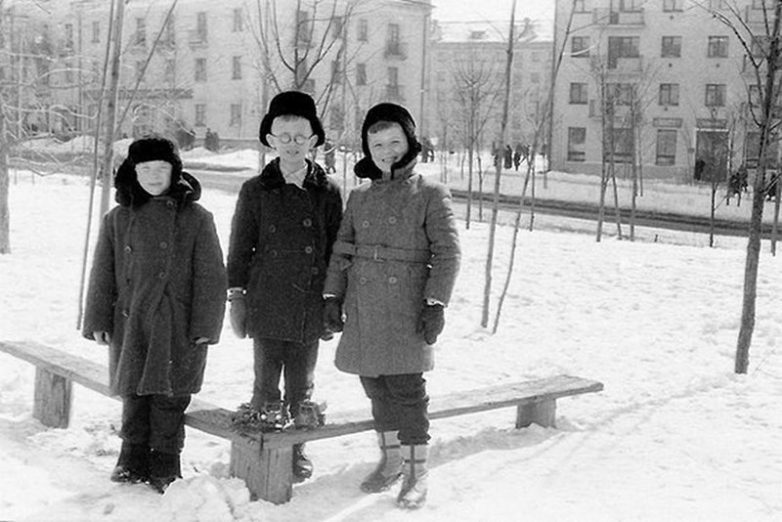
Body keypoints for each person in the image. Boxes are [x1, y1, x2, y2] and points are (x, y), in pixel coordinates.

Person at [322, 103, 460, 509]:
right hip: (363, 302)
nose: (386, 150)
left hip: (405, 305)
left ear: (410, 142)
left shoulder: (431, 193)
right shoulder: (360, 195)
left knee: (407, 389)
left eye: (394, 142)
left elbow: (448, 253)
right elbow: (341, 249)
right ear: (367, 147)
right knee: (374, 383)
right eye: (376, 143)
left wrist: (435, 302)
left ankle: (417, 471)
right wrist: (333, 295)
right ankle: (392, 459)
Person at [82, 136, 227, 493]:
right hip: (129, 320)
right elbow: (102, 271)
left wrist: (206, 325)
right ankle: (131, 455)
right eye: (145, 169)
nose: (152, 176)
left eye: (161, 169)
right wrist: (98, 319)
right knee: (133, 390)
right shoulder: (118, 218)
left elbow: (211, 276)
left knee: (169, 393)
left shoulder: (196, 218)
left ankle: (165, 459)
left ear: (175, 171)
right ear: (133, 172)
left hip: (175, 321)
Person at [226, 91, 343, 482]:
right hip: (266, 299)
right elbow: (240, 247)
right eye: (284, 136)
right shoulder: (255, 190)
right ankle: (260, 454)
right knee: (264, 383)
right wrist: (236, 296)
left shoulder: (328, 191)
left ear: (313, 141)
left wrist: (333, 300)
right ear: (270, 141)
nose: (292, 144)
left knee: (301, 384)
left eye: (300, 137)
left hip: (309, 303)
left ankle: (295, 452)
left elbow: (335, 248)